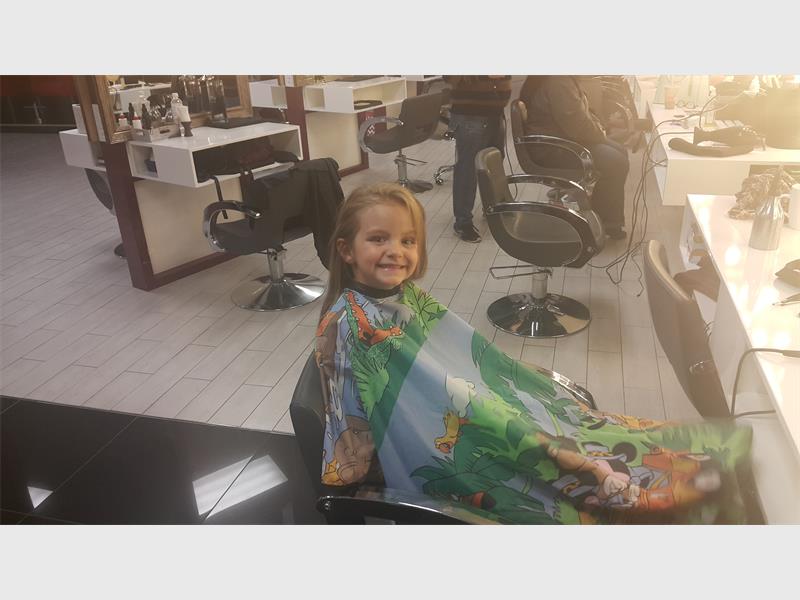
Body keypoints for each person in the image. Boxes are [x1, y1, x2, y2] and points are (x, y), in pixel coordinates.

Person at [315, 182, 753, 524]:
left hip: (476, 409)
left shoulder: (402, 296)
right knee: (581, 476)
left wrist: (508, 390)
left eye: (408, 241)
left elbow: (459, 358)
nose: (396, 252)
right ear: (346, 249)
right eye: (379, 239)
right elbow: (352, 440)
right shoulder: (348, 328)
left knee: (593, 436)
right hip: (450, 446)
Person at [520, 75, 631, 240]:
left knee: (620, 152)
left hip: (563, 141)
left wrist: (600, 129)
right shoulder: (558, 82)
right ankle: (604, 223)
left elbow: (582, 115)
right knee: (616, 161)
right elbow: (578, 126)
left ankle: (608, 220)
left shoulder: (563, 79)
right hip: (554, 149)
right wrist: (601, 133)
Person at [442, 75, 512, 243]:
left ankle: (492, 209)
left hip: (496, 113)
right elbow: (449, 77)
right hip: (470, 116)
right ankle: (463, 222)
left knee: (494, 166)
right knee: (468, 170)